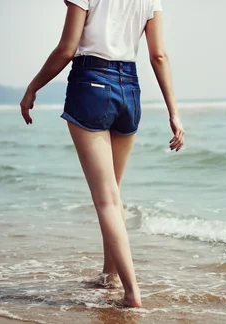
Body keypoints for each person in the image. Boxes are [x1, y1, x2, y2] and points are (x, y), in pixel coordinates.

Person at [19, 0, 184, 308]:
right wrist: (173, 112)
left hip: (91, 84)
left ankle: (132, 293)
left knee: (106, 198)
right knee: (114, 193)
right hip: (130, 90)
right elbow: (158, 55)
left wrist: (32, 88)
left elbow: (66, 50)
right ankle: (109, 275)